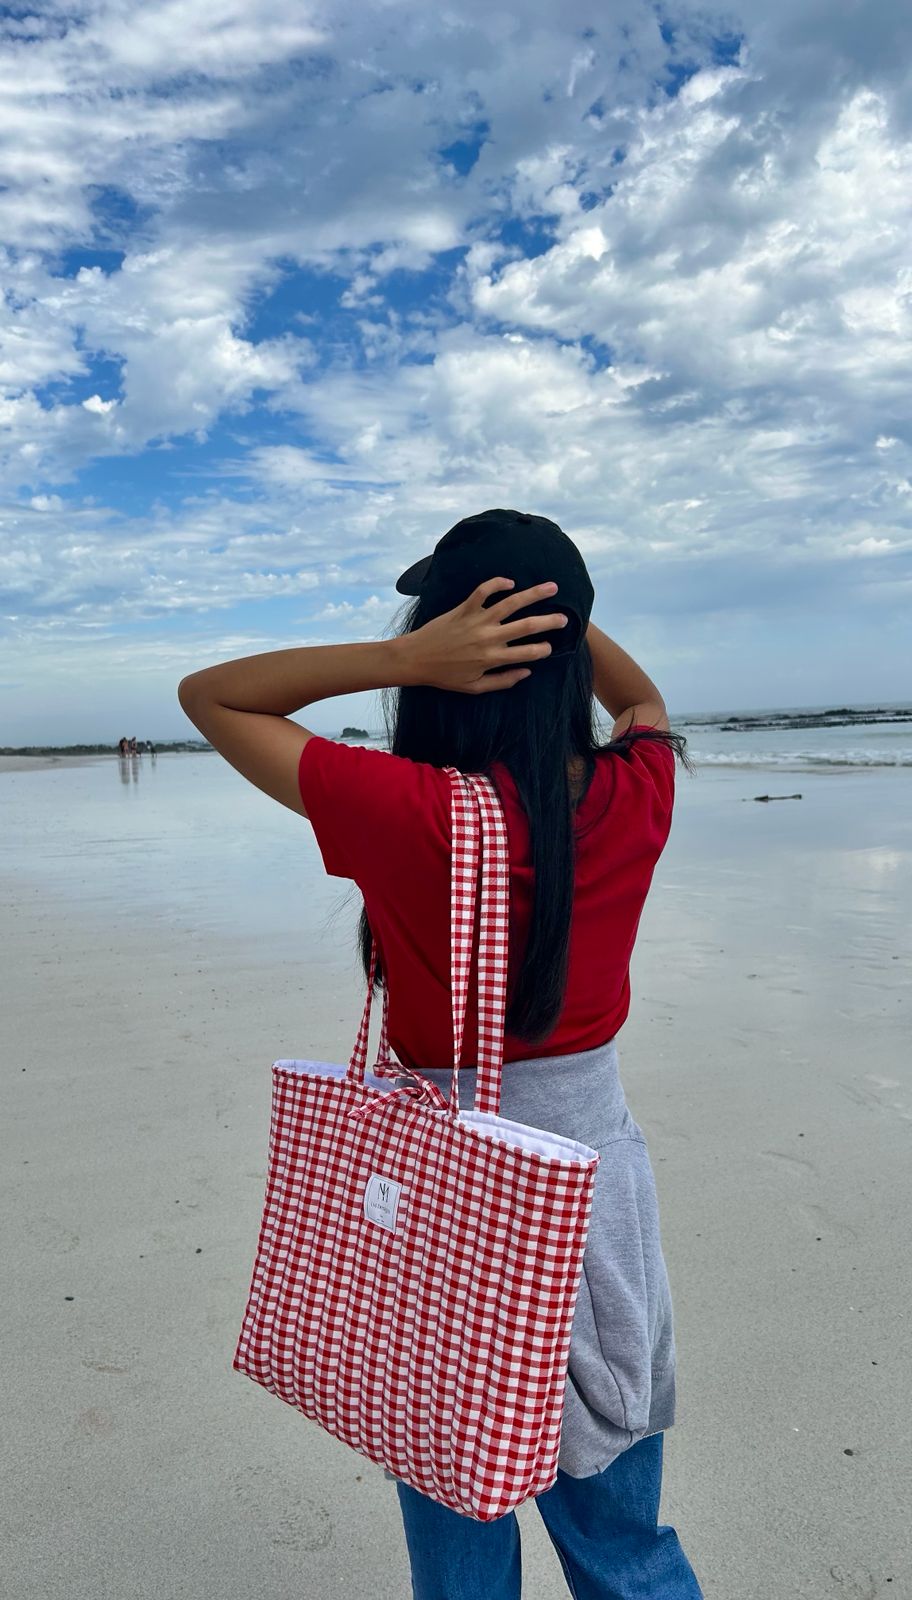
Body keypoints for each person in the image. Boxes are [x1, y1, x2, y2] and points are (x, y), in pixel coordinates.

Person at [176, 508, 703, 1599]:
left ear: (445, 655)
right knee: (623, 1545)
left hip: (447, 1206)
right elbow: (644, 705)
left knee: (460, 1552)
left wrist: (401, 657)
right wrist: (562, 618)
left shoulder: (409, 811)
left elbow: (212, 695)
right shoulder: (636, 791)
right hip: (595, 1206)